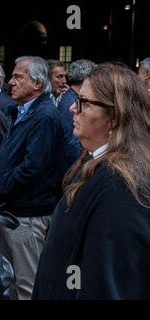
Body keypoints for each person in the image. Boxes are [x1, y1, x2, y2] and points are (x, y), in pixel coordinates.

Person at [33, 63, 150, 300]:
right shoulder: (96, 161)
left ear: (115, 117)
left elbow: (110, 282)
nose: (73, 109)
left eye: (83, 102)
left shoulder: (120, 183)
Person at [0, 56, 65, 300]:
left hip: (29, 214)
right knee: (13, 282)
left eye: (18, 77)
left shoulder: (44, 116)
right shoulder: (23, 111)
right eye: (12, 77)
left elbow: (31, 169)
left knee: (28, 285)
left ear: (37, 84)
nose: (10, 82)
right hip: (15, 210)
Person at [58, 59, 96, 169]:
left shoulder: (74, 97)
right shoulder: (72, 102)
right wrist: (79, 170)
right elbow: (72, 142)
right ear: (86, 78)